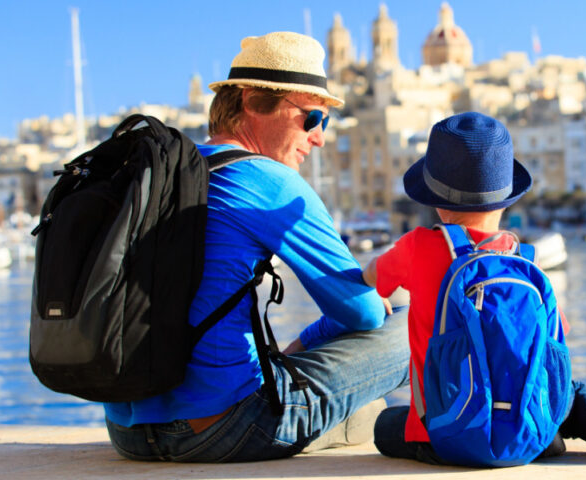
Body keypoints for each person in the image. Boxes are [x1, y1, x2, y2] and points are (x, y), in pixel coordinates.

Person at [103, 31, 409, 463]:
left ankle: (342, 420)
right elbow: (360, 312)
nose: (318, 137)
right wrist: (315, 338)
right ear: (252, 102)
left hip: (127, 431)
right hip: (220, 429)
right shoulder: (267, 181)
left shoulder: (166, 176)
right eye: (312, 118)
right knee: (416, 317)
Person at [362, 112, 586, 465]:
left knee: (385, 424)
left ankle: (530, 439)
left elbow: (373, 275)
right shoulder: (525, 262)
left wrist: (372, 288)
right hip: (525, 424)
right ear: (507, 198)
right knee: (569, 390)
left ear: (435, 197)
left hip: (445, 435)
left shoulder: (417, 246)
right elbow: (552, 345)